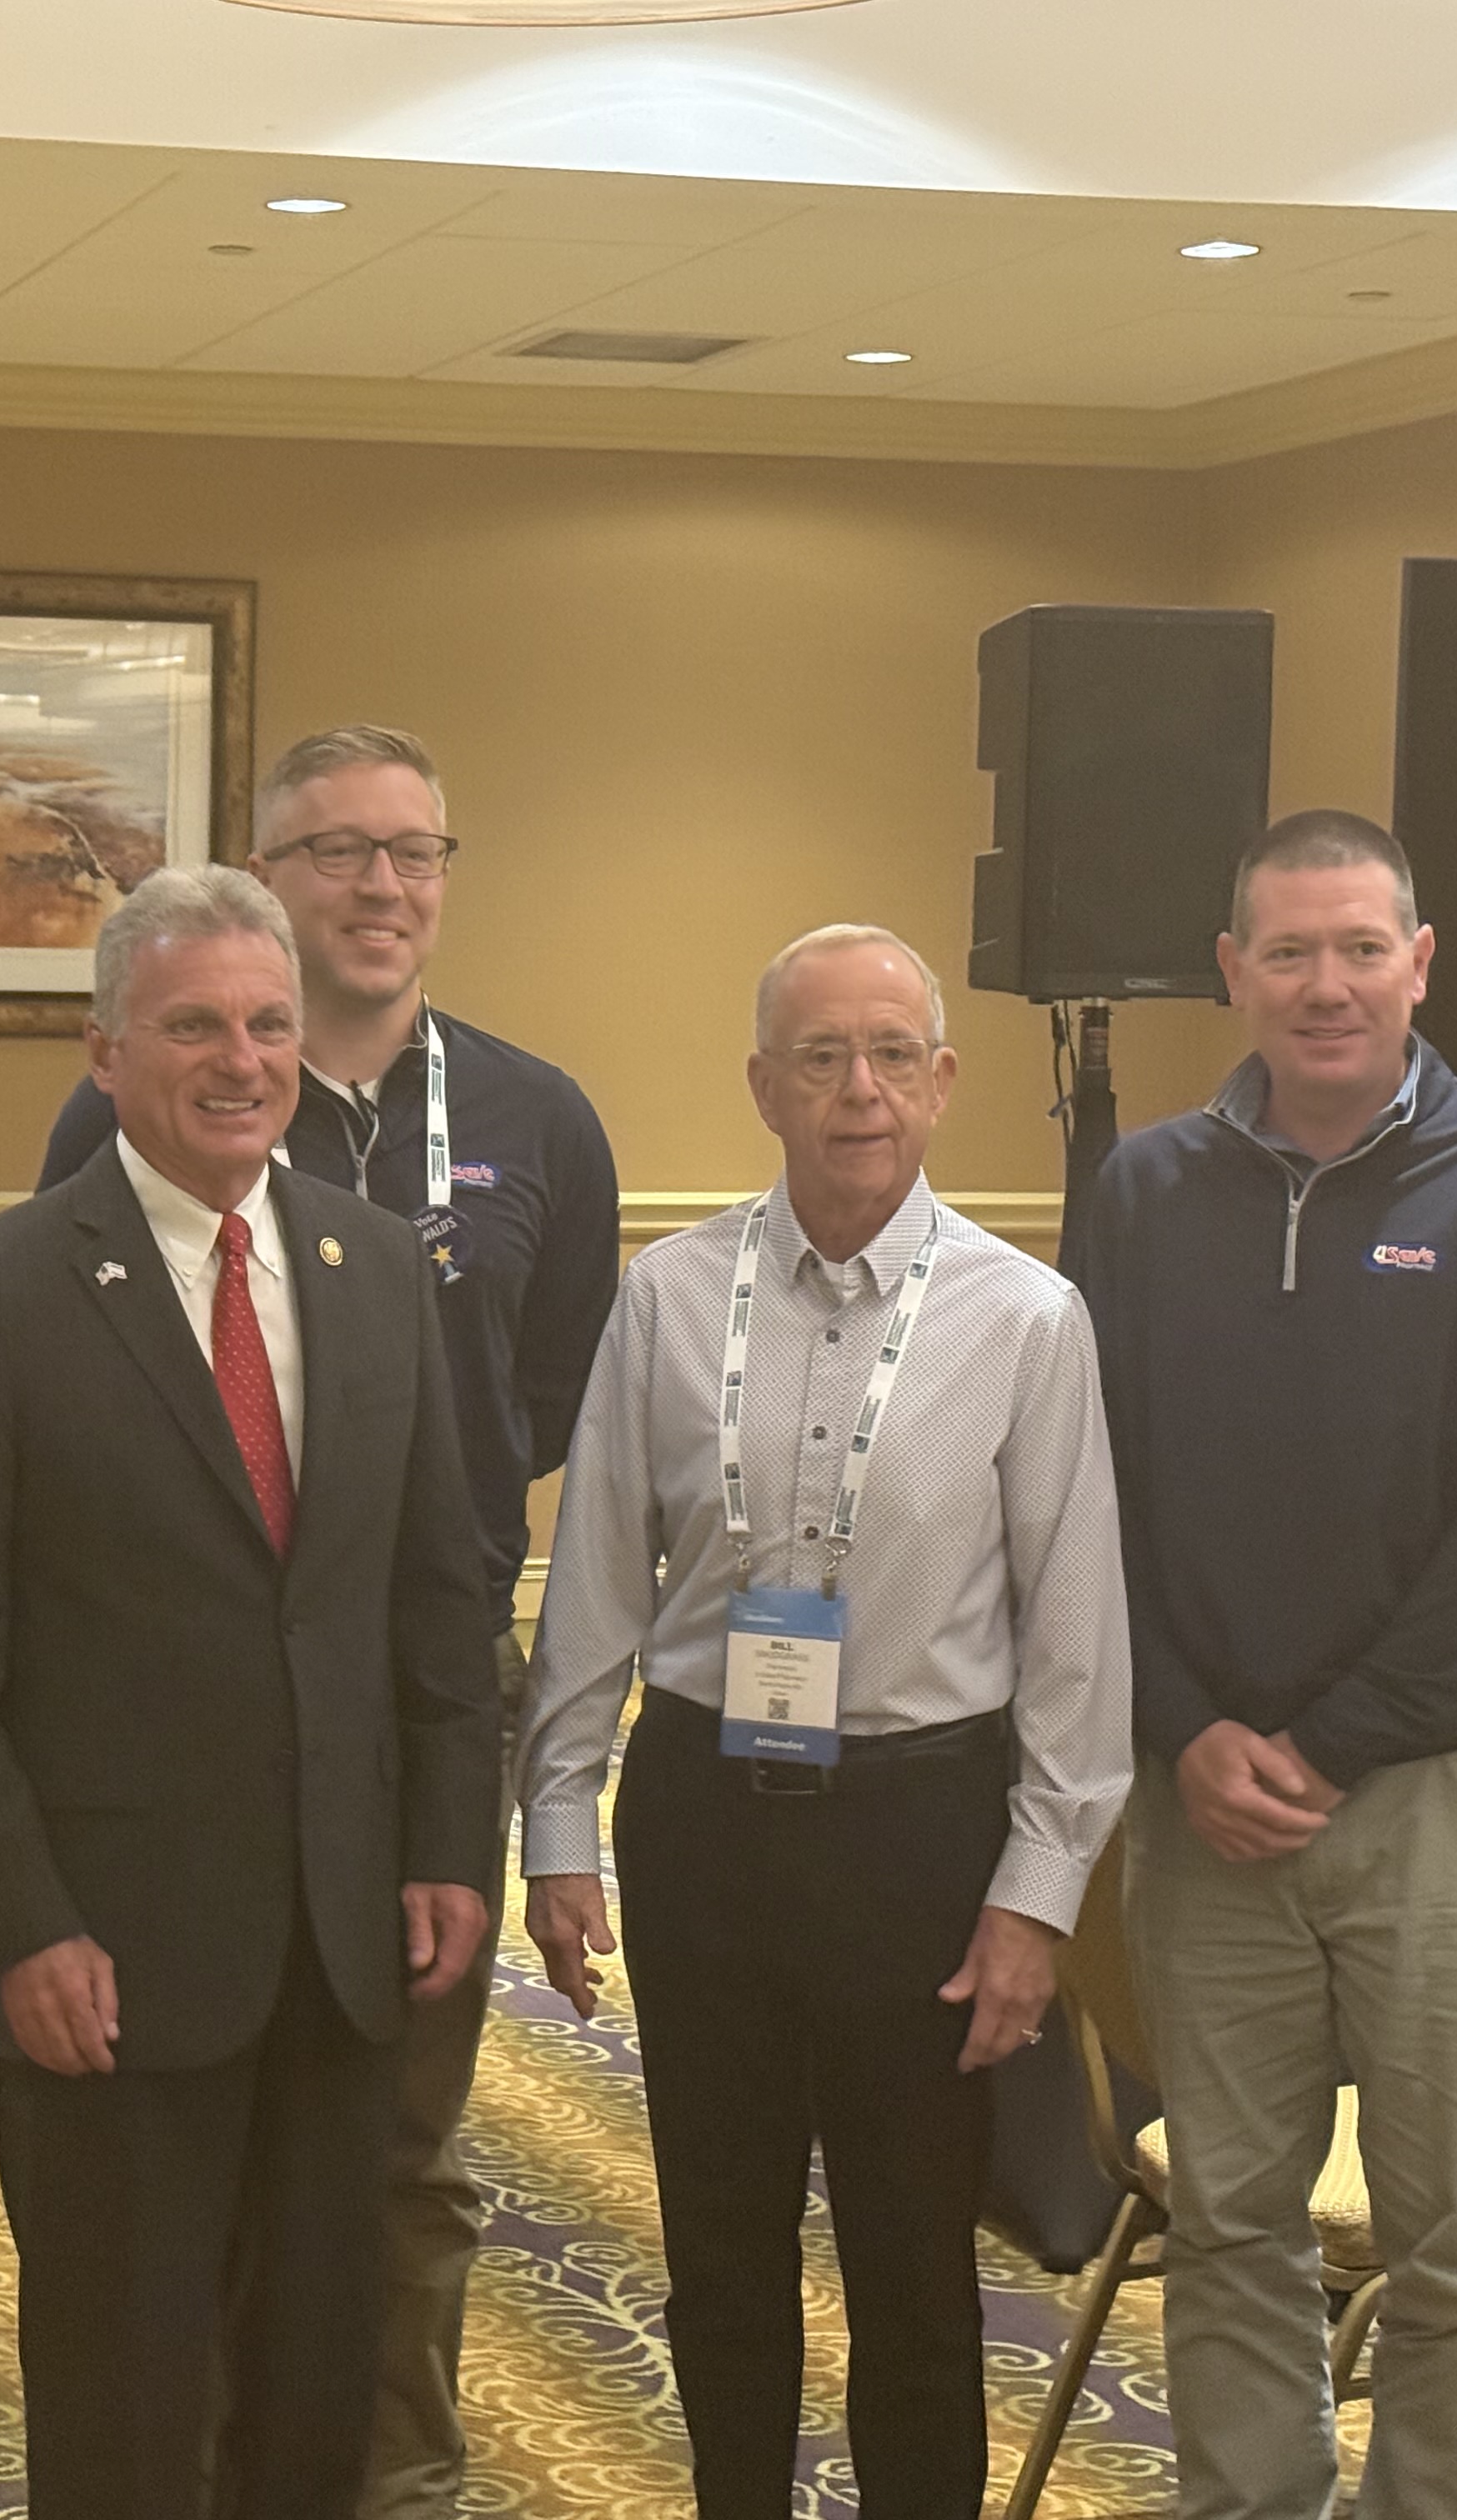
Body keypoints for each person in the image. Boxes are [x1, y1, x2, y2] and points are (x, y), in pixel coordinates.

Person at [0, 864, 500, 2520]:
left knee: (314, 2394)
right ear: (104, 1054)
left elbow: (438, 1601)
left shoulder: (377, 1267)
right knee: (128, 2405)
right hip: (113, 1962)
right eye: (195, 1026)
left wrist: (451, 1846)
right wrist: (18, 1928)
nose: (242, 1061)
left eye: (271, 1025)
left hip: (347, 1947)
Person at [38, 723, 618, 2514]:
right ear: (265, 877)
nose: (381, 886)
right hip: (188, 1716)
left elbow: (551, 1397)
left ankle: (396, 2480)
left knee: (397, 2143)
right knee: (204, 2126)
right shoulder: (132, 1107)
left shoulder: (537, 1119)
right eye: (338, 852)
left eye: (414, 852)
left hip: (420, 1695)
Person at [522, 924, 1129, 2519]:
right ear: (763, 1087)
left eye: (890, 1056)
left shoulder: (1026, 1319)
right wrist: (558, 1822)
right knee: (720, 2259)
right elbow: (594, 1579)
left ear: (941, 1081)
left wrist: (1038, 1899)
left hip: (920, 1837)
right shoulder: (669, 1296)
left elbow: (1078, 1642)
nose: (858, 1089)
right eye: (820, 1058)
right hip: (701, 1819)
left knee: (912, 2270)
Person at [1070, 810, 1457, 2520]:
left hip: (1440, 1796)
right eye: (1290, 952)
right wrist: (1184, 1728)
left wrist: (1331, 1743)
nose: (1328, 986)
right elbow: (1092, 1493)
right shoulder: (1144, 1191)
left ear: (1418, 964)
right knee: (1232, 2226)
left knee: (1455, 2248)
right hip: (1206, 1803)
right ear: (1233, 972)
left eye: (1361, 949)